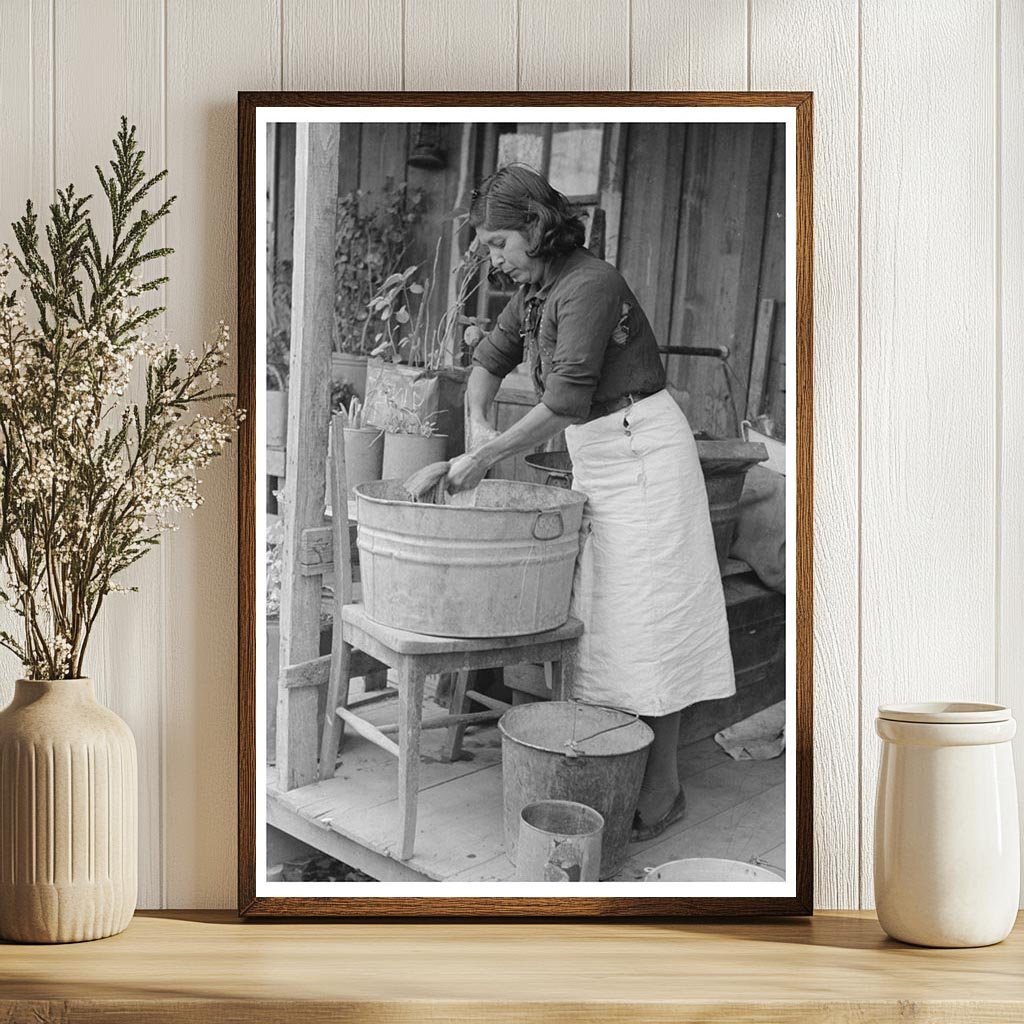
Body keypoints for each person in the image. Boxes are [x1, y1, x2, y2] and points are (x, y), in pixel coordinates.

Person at [445, 165, 735, 841]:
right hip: (600, 457)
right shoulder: (539, 288)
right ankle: (614, 770)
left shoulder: (590, 285)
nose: (495, 259)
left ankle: (661, 791)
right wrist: (479, 426)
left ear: (535, 230)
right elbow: (489, 359)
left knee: (647, 630)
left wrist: (483, 459)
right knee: (602, 625)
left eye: (499, 245)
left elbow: (566, 398)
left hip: (644, 458)